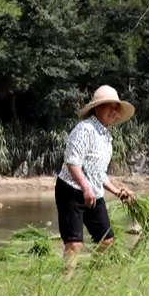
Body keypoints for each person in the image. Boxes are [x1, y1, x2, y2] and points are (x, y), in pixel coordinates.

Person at [56, 85, 137, 272]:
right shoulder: (85, 129)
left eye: (116, 108)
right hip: (71, 190)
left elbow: (98, 173)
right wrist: (85, 188)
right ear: (97, 108)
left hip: (92, 192)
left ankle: (91, 274)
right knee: (74, 244)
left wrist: (117, 191)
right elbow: (72, 162)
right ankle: (65, 281)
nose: (114, 112)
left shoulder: (105, 137)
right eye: (110, 106)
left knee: (107, 240)